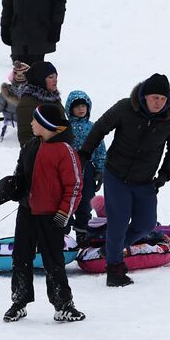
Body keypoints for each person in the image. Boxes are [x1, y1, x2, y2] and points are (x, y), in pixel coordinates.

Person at [77, 75, 170, 285]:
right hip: (116, 175)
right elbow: (100, 127)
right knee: (118, 223)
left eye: (163, 99)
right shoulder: (125, 108)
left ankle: (111, 248)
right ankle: (114, 269)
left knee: (145, 224)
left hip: (145, 181)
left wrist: (164, 174)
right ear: (145, 96)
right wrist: (85, 153)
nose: (159, 103)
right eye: (155, 98)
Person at [5, 103, 85, 322]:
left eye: (34, 120)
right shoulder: (30, 145)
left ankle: (63, 305)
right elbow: (21, 174)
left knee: (53, 260)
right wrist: (13, 187)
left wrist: (63, 213)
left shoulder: (64, 151)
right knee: (20, 257)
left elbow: (75, 186)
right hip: (26, 212)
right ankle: (19, 301)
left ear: (44, 124)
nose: (30, 123)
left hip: (51, 216)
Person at [67, 90, 106, 237]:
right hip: (68, 170)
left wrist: (100, 169)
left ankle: (83, 233)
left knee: (85, 202)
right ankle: (62, 234)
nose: (81, 109)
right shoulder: (65, 128)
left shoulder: (93, 127)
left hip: (88, 170)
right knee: (67, 202)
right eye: (77, 107)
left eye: (84, 106)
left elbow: (100, 148)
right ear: (70, 109)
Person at [15, 61, 62, 147]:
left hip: (60, 151)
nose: (55, 80)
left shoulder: (54, 99)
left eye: (56, 76)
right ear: (39, 79)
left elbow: (63, 125)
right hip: (40, 154)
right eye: (50, 77)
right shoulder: (27, 103)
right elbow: (26, 137)